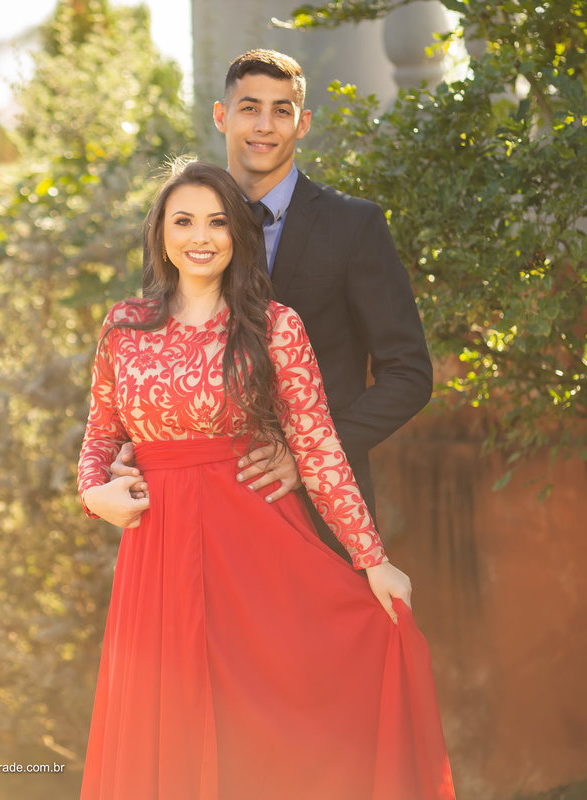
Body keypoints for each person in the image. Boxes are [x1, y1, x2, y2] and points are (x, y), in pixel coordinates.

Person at [76, 158, 454, 799]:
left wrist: (372, 560)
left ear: (238, 235)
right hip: (158, 555)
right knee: (167, 725)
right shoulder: (124, 326)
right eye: (184, 221)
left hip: (253, 550)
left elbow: (318, 446)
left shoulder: (276, 327)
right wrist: (93, 494)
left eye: (218, 222)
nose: (201, 236)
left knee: (262, 728)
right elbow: (101, 437)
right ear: (160, 234)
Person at [112, 50, 433, 561]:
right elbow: (155, 357)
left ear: (302, 123)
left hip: (320, 508)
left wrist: (307, 456)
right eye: (249, 107)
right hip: (201, 515)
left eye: (282, 111)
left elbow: (409, 373)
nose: (265, 126)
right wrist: (128, 451)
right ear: (222, 116)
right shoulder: (183, 229)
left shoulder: (354, 226)